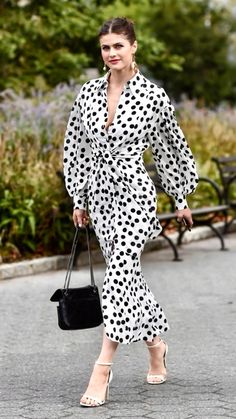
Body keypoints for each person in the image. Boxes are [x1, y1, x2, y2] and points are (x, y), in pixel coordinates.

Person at [63, 17, 198, 407]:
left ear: (134, 47)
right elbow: (75, 147)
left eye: (118, 46)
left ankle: (101, 369)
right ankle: (156, 345)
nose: (111, 54)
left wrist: (180, 196)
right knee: (129, 280)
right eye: (106, 47)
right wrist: (79, 198)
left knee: (119, 274)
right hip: (101, 198)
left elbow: (171, 147)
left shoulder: (153, 96)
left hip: (135, 196)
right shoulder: (87, 93)